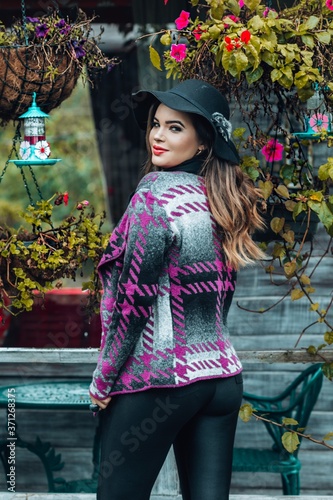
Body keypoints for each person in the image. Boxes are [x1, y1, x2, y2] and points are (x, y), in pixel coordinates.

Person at [89, 78, 265, 500]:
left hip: (162, 378)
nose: (157, 135)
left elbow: (134, 301)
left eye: (175, 127)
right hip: (221, 379)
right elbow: (221, 297)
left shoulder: (153, 199)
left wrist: (103, 380)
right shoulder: (222, 199)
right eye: (156, 124)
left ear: (203, 142)